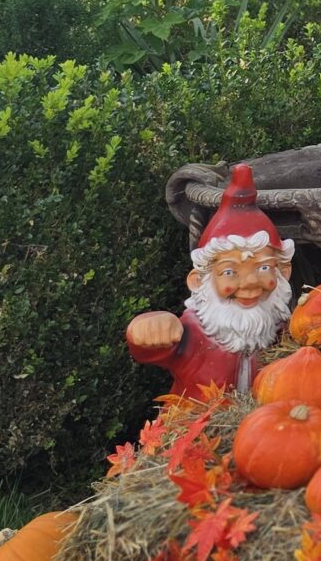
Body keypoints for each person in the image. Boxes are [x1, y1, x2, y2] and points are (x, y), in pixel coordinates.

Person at [125, 164, 294, 400]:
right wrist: (147, 328)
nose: (250, 283)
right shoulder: (193, 333)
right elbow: (154, 350)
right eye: (229, 272)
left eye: (264, 268)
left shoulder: (281, 330)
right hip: (199, 420)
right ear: (198, 281)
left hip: (268, 418)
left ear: (283, 272)